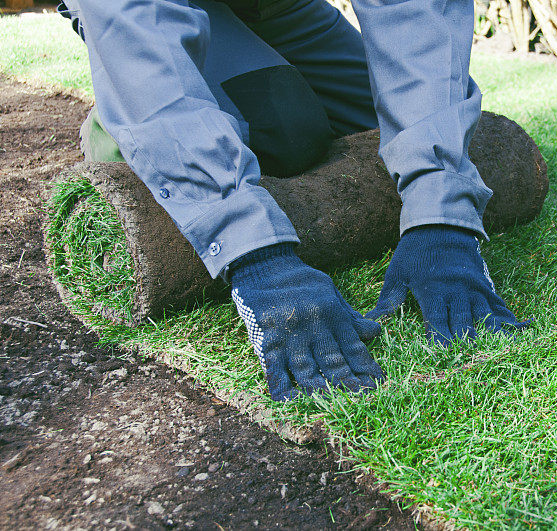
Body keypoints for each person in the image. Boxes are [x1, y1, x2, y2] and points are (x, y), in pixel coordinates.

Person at [58, 0, 528, 401]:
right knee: (286, 127)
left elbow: (414, 16)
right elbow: (134, 20)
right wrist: (255, 254)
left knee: (372, 122)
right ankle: (121, 129)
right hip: (143, 12)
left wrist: (439, 215)